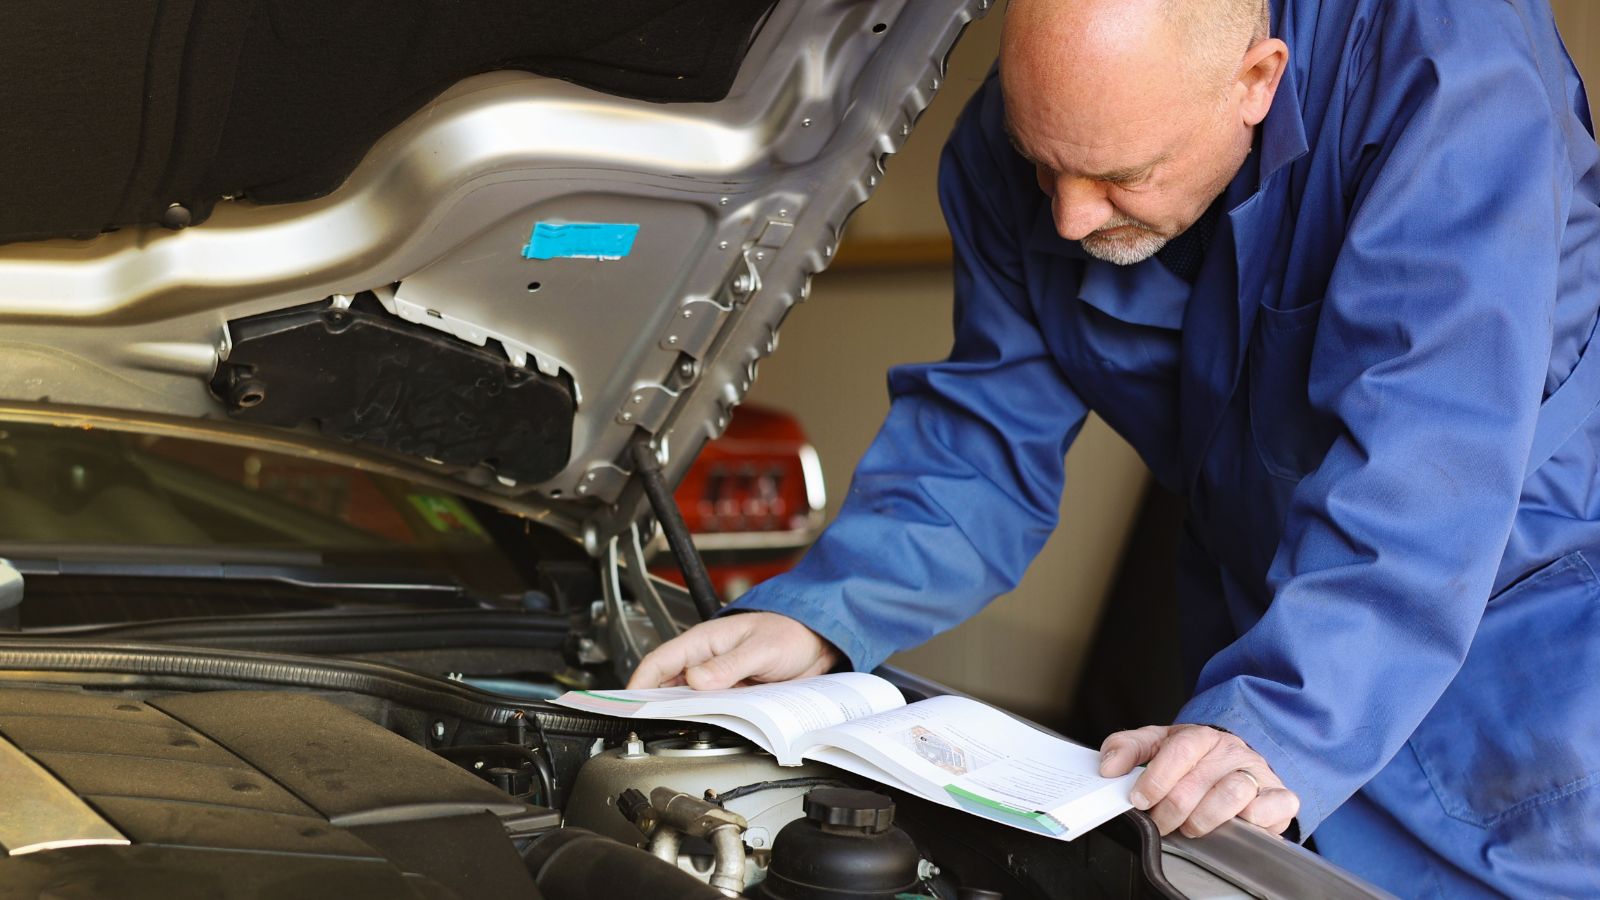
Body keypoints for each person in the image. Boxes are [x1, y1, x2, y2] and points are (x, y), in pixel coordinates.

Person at [630, 0, 1600, 895]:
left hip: (1517, 691)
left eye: (1120, 178)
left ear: (1257, 79)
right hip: (1262, 659)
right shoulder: (1027, 136)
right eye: (1043, 166)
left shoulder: (1450, 83)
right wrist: (820, 616)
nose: (1068, 217)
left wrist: (1279, 719)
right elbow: (984, 435)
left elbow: (1429, 464)